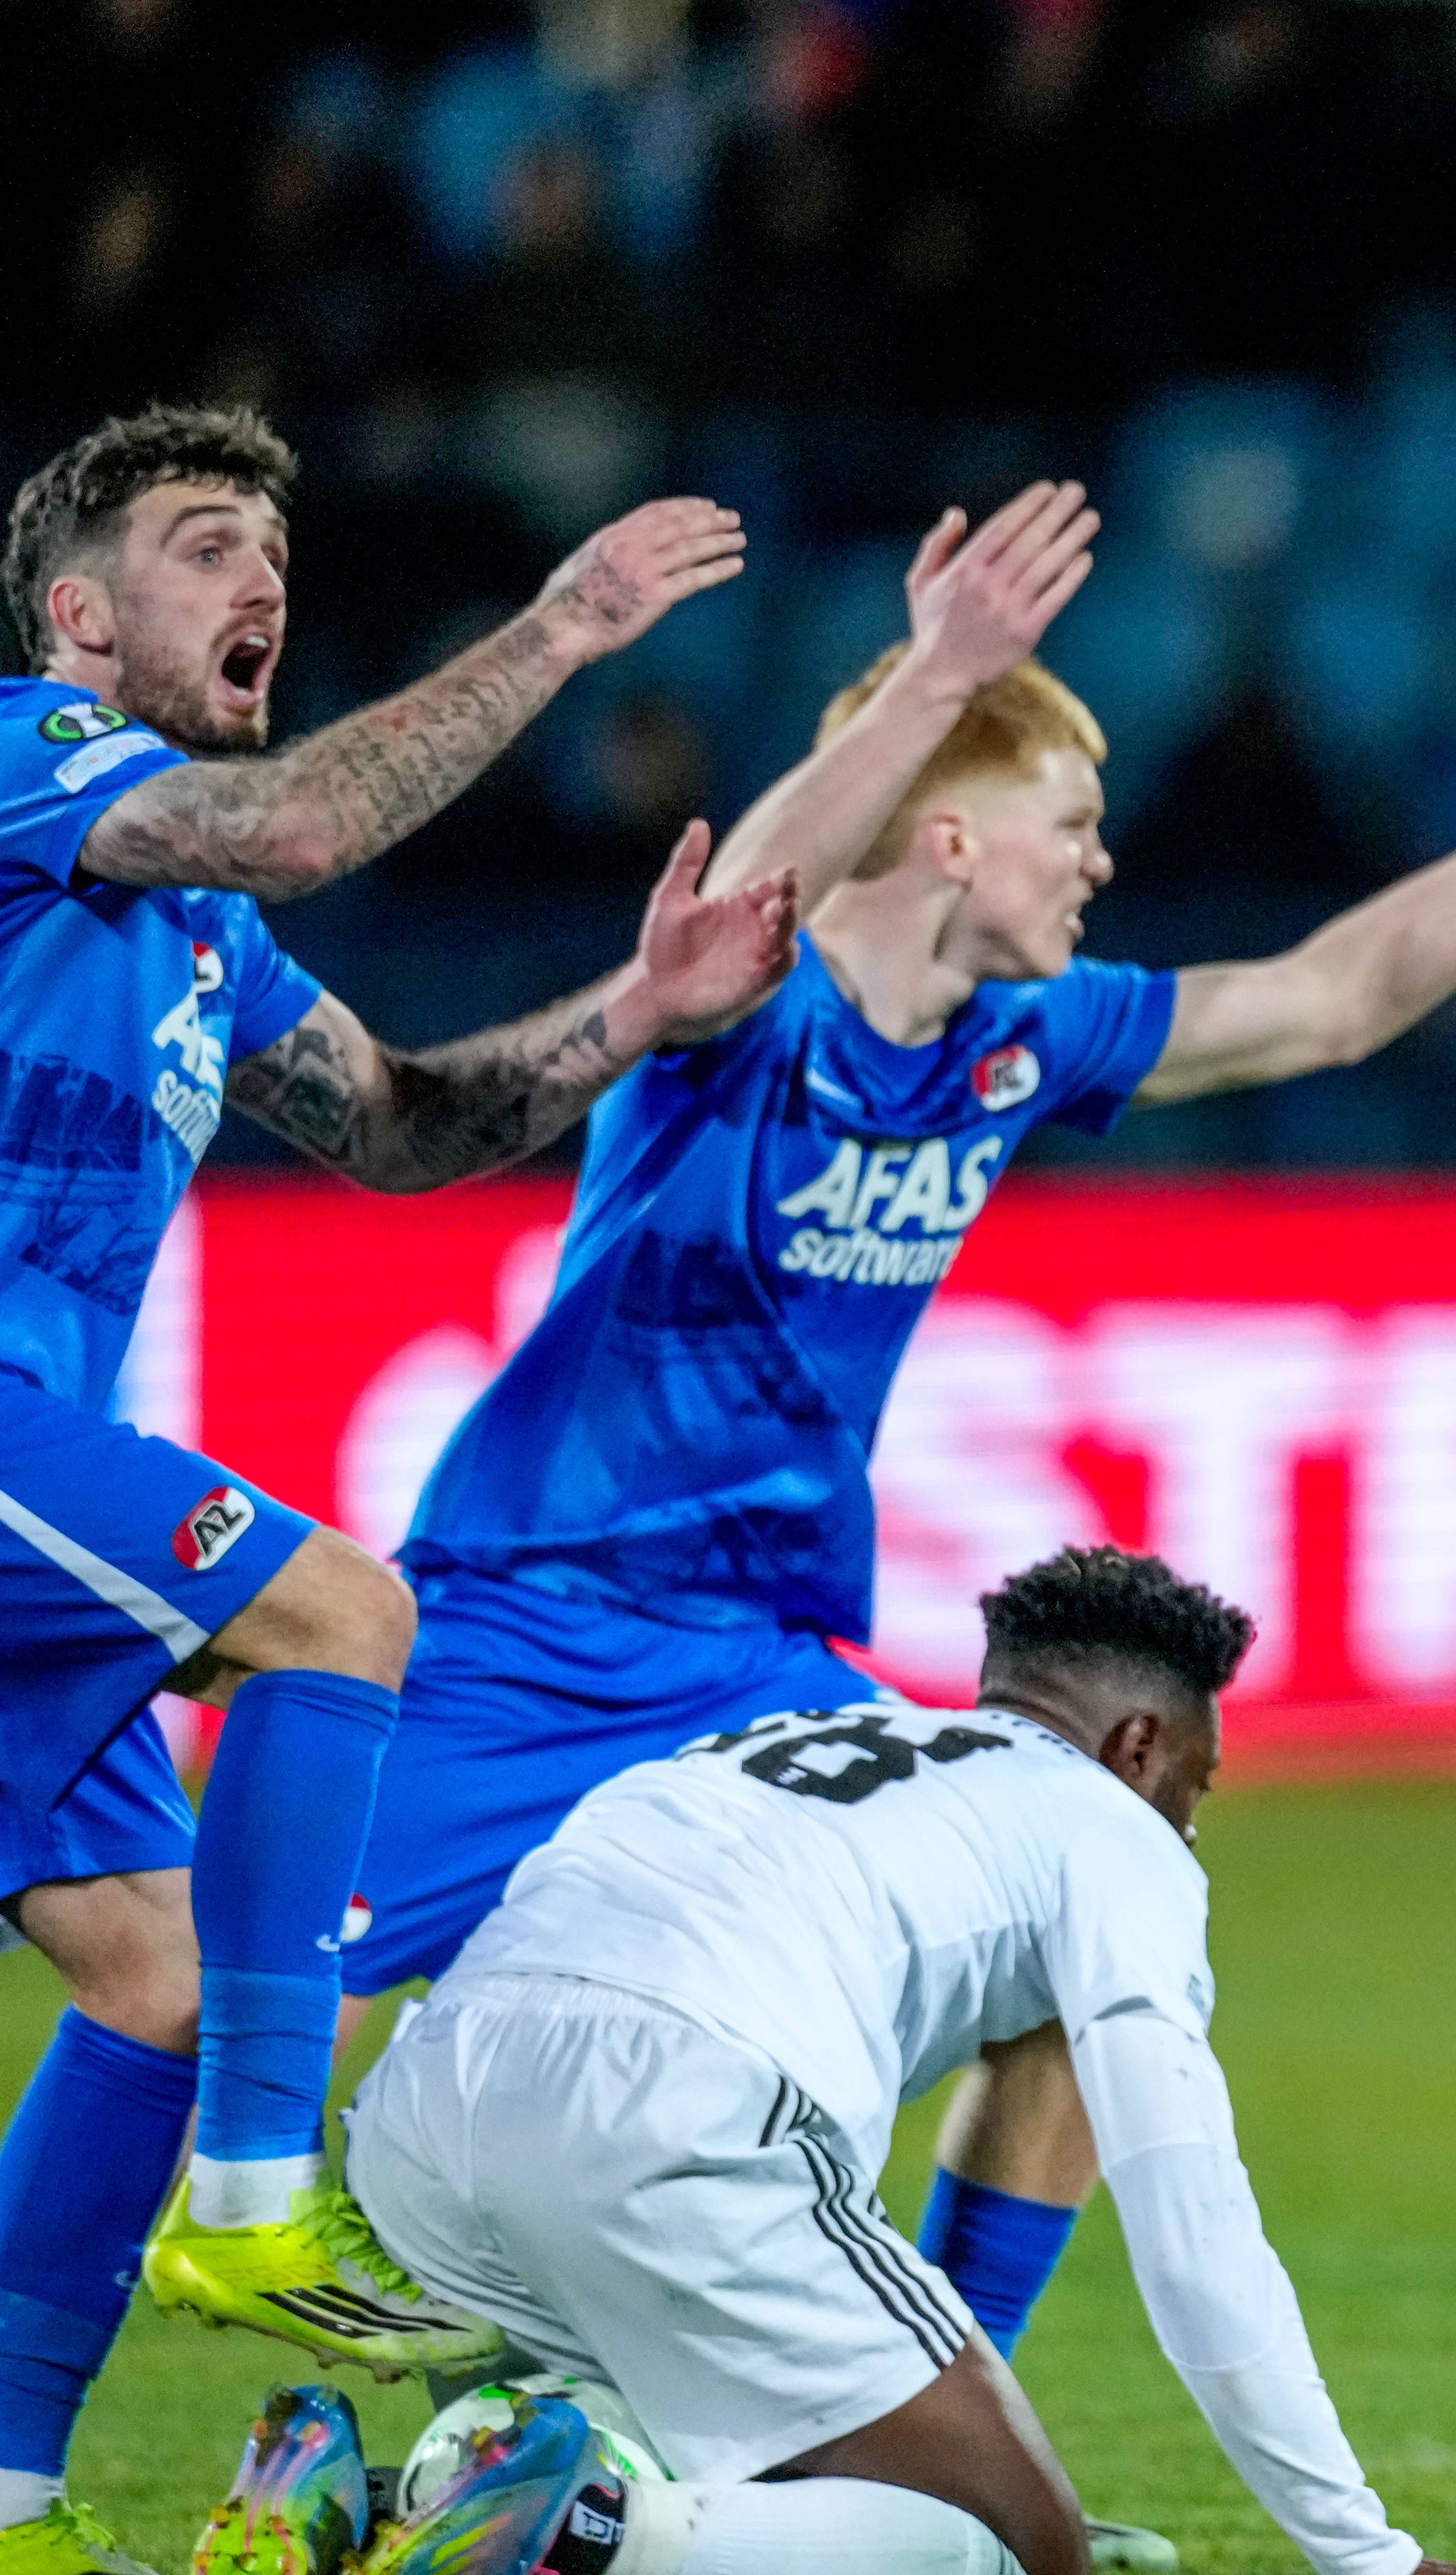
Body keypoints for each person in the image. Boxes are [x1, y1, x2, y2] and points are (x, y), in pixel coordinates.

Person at [330, 482, 1456, 2445]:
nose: (1106, 858)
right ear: (955, 837)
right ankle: (49, 2451)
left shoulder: (1022, 1037)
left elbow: (1330, 998)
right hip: (529, 1613)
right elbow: (774, 871)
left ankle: (961, 2432)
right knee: (212, 2003)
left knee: (1090, 1908)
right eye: (1072, 822)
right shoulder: (744, 1000)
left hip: (766, 1653)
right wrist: (941, 678)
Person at [0, 401, 789, 2575]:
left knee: (157, 1974)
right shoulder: (22, 759)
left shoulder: (190, 940)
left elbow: (412, 1125)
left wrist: (639, 1004)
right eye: (196, 545)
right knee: (341, 1606)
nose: (258, 580)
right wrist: (562, 627)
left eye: (273, 543)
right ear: (76, 615)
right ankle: (257, 2202)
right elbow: (295, 820)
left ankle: (7, 2501)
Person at [338, 1545, 1456, 2575]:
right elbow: (1193, 2221)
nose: (1188, 1823)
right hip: (674, 2106)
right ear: (1139, 1746)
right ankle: (587, 2532)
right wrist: (1366, 2555)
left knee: (695, 2488)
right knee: (1016, 2552)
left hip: (422, 2121)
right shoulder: (1115, 1829)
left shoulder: (800, 1740)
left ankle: (359, 2507)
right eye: (1197, 1785)